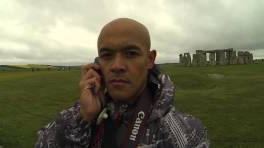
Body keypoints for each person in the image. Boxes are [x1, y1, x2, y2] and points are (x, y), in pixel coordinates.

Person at [35, 18, 209, 148]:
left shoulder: (185, 134)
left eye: (131, 53)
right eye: (107, 55)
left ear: (149, 60)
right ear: (97, 63)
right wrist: (83, 118)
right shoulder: (75, 117)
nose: (117, 66)